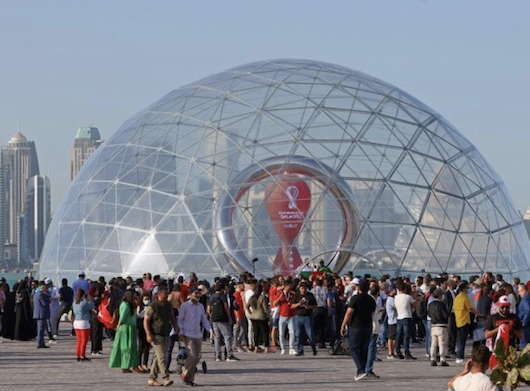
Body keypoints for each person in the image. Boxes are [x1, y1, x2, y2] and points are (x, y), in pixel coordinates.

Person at [178, 286, 214, 387]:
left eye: (199, 293)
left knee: (196, 358)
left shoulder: (200, 306)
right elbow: (180, 320)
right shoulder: (185, 306)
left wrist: (210, 330)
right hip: (188, 334)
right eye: (196, 293)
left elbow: (204, 320)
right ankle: (185, 372)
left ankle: (190, 379)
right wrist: (180, 332)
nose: (198, 295)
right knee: (192, 355)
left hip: (198, 334)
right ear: (190, 294)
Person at [340, 279, 376, 381]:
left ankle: (361, 370)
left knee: (353, 348)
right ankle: (363, 370)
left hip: (356, 326)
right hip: (367, 326)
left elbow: (349, 312)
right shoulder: (371, 299)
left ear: (359, 287)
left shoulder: (355, 298)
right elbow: (373, 313)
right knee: (363, 349)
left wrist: (343, 325)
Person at [143, 286, 178, 386]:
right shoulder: (152, 306)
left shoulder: (168, 305)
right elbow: (146, 321)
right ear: (159, 295)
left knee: (157, 358)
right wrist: (148, 334)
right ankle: (165, 377)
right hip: (155, 335)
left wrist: (176, 328)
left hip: (166, 333)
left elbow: (172, 317)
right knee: (162, 356)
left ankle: (152, 378)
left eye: (167, 294)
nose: (166, 296)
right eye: (164, 294)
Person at [110, 289, 140, 374]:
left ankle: (134, 364)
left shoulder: (130, 305)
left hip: (131, 327)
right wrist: (118, 325)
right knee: (126, 347)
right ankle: (125, 365)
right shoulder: (125, 305)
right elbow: (122, 317)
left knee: (132, 347)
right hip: (126, 328)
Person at [207, 282, 238, 361]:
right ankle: (229, 355)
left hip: (214, 319)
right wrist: (229, 317)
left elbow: (208, 310)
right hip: (223, 318)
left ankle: (218, 356)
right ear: (222, 289)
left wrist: (212, 316)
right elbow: (226, 307)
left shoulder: (212, 296)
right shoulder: (222, 296)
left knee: (217, 337)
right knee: (227, 336)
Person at [453, 282, 480, 364]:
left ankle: (459, 355)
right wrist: (479, 314)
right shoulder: (464, 297)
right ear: (463, 289)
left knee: (459, 340)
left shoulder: (457, 297)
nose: (468, 290)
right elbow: (471, 308)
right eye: (466, 288)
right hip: (464, 320)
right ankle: (460, 356)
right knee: (462, 340)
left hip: (458, 320)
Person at [291, 282, 317, 356]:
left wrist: (309, 307)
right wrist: (298, 304)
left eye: (304, 288)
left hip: (308, 316)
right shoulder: (296, 295)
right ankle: (300, 350)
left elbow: (315, 306)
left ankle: (314, 348)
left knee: (310, 334)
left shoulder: (310, 295)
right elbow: (292, 306)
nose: (303, 290)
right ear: (299, 288)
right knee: (298, 334)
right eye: (302, 288)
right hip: (298, 316)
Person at [428, 288, 450, 367]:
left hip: (433, 325)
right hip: (442, 325)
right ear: (440, 296)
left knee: (433, 344)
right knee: (442, 344)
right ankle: (442, 359)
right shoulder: (441, 304)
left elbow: (429, 314)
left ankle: (433, 359)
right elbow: (445, 315)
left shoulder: (430, 304)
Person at [248, 283, 272, 353]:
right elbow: (265, 308)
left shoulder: (252, 297)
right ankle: (267, 347)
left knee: (256, 332)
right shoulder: (262, 297)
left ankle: (256, 347)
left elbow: (247, 306)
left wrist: (251, 313)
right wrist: (268, 315)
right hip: (261, 316)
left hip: (254, 316)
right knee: (265, 332)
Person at [273, 281, 296, 355]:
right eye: (289, 286)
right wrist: (279, 298)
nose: (290, 288)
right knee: (281, 333)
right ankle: (283, 348)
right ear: (285, 286)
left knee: (292, 332)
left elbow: (294, 302)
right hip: (282, 315)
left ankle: (291, 348)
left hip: (291, 315)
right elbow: (274, 303)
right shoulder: (280, 294)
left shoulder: (292, 294)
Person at [395, 282, 416, 360]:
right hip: (407, 316)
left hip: (399, 317)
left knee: (398, 335)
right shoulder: (408, 297)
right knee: (406, 336)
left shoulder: (396, 297)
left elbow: (395, 307)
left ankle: (397, 351)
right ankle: (407, 352)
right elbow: (414, 305)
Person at [72, 288, 95, 361]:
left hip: (76, 322)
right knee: (84, 340)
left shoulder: (74, 302)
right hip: (83, 322)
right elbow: (92, 306)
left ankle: (78, 355)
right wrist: (89, 299)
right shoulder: (84, 302)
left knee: (79, 340)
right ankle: (82, 355)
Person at [33, 282, 51, 348]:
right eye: (45, 288)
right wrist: (49, 300)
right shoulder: (40, 295)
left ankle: (41, 342)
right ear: (43, 288)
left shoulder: (36, 294)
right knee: (41, 329)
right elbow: (44, 303)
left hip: (39, 313)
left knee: (41, 329)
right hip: (41, 314)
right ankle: (40, 343)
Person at [385, 286, 397, 359]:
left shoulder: (392, 299)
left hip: (393, 319)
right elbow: (396, 308)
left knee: (394, 337)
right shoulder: (390, 299)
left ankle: (392, 351)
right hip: (393, 320)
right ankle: (390, 352)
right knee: (392, 337)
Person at [517, 283, 530, 348]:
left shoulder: (525, 300)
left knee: (524, 346)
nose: (519, 293)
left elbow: (528, 310)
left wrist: (524, 322)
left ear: (524, 291)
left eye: (520, 291)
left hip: (525, 327)